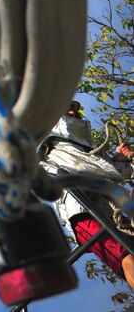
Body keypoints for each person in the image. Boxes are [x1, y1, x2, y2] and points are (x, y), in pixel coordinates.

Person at [39, 100, 134, 289]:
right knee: (126, 256)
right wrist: (121, 166)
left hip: (105, 204)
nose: (73, 112)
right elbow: (90, 167)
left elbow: (114, 172)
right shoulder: (51, 144)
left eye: (74, 109)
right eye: (66, 108)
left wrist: (119, 159)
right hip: (83, 211)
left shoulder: (85, 145)